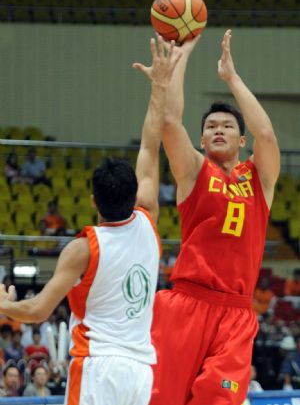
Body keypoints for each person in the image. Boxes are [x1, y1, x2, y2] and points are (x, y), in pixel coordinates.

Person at [0, 36, 181, 405]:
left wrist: (3, 304)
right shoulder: (149, 221)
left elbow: (36, 311)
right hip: (142, 371)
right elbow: (150, 145)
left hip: (99, 367)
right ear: (136, 195)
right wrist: (159, 86)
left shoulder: (82, 248)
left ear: (93, 200)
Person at [146, 29, 280, 405]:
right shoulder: (194, 172)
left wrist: (231, 78)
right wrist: (182, 56)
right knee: (163, 399)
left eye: (227, 126)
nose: (218, 129)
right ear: (202, 142)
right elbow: (170, 122)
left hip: (236, 312)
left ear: (241, 141)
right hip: (187, 303)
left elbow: (267, 134)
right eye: (210, 127)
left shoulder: (259, 179)